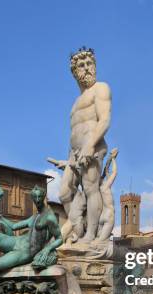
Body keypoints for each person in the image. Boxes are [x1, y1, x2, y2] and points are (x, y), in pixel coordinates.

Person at [56, 47, 111, 242]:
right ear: (74, 72)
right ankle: (78, 229)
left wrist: (90, 146)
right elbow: (74, 132)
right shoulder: (76, 101)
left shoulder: (101, 88)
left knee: (90, 189)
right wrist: (68, 159)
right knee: (64, 193)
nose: (87, 68)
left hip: (92, 146)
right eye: (81, 65)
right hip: (74, 153)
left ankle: (90, 234)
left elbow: (104, 120)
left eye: (90, 64)